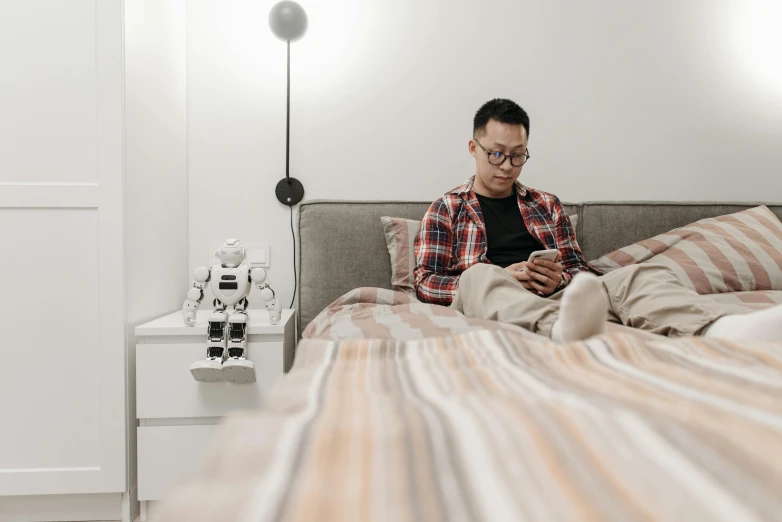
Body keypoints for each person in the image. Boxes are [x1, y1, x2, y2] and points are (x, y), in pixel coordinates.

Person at [413, 98, 782, 343]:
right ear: (473, 148)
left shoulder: (546, 205)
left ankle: (722, 329)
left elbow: (580, 270)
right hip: (495, 298)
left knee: (638, 275)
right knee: (481, 275)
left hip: (562, 299)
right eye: (496, 154)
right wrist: (502, 275)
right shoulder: (447, 208)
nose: (507, 166)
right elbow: (426, 282)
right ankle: (558, 330)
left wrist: (563, 277)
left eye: (518, 155)